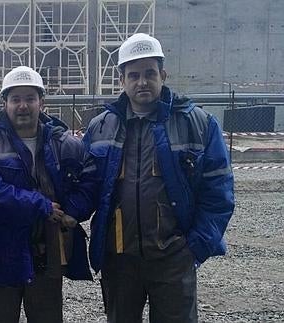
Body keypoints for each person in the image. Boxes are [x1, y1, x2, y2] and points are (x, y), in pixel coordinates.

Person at [83, 33, 235, 323]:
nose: (142, 82)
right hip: (120, 259)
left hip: (173, 258)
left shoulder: (198, 124)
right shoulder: (101, 127)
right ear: (122, 80)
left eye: (150, 73)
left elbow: (219, 193)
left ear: (163, 75)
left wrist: (194, 249)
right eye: (134, 75)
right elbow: (85, 187)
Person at [0, 66, 97, 323]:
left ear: (42, 102)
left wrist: (73, 210)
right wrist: (41, 205)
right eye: (15, 99)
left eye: (30, 98)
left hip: (47, 254)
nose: (23, 106)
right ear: (4, 103)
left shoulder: (64, 144)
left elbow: (91, 178)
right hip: (1, 254)